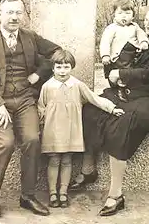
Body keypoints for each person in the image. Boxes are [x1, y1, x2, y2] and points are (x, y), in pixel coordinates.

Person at [70, 0, 149, 216]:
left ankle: (115, 194)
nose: (148, 26)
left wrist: (121, 75)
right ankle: (88, 168)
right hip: (129, 90)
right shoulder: (139, 35)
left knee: (123, 123)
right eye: (147, 20)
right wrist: (120, 63)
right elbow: (123, 60)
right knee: (90, 110)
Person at [0, 0, 61, 218]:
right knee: (6, 142)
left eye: (18, 13)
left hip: (24, 99)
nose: (14, 17)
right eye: (10, 12)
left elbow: (56, 53)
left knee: (32, 139)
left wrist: (38, 74)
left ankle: (28, 196)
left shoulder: (30, 37)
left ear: (23, 15)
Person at [37, 49, 125, 209]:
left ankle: (63, 192)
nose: (62, 71)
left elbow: (95, 99)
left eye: (66, 67)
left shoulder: (77, 85)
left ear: (71, 67)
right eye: (58, 67)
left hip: (71, 129)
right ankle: (52, 193)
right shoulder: (47, 86)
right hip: (53, 130)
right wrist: (41, 128)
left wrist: (111, 108)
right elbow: (41, 108)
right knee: (54, 160)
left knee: (66, 160)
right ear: (53, 68)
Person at [99, 0, 149, 102]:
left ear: (133, 16)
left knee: (131, 73)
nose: (124, 16)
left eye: (127, 13)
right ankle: (118, 90)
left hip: (132, 55)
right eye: (120, 13)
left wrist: (144, 42)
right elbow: (105, 42)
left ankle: (128, 90)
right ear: (115, 15)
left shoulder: (135, 27)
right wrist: (105, 55)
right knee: (117, 74)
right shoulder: (111, 28)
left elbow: (142, 35)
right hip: (118, 57)